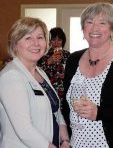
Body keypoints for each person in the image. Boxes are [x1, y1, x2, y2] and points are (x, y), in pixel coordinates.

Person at [61, 2, 113, 148]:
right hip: (76, 144)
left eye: (102, 22)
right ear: (83, 28)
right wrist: (66, 139)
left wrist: (100, 112)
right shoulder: (73, 60)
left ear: (112, 28)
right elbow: (66, 106)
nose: (95, 28)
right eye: (89, 22)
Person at [0, 17, 70, 148]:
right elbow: (24, 129)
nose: (36, 43)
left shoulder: (40, 72)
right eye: (28, 38)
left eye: (40, 37)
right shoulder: (11, 76)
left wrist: (65, 141)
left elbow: (56, 111)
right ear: (15, 44)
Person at [38, 27, 70, 100]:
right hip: (48, 92)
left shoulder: (68, 55)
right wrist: (49, 61)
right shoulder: (43, 55)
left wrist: (67, 75)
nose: (56, 43)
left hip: (64, 93)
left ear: (63, 41)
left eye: (59, 40)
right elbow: (36, 72)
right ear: (49, 41)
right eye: (53, 39)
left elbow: (74, 74)